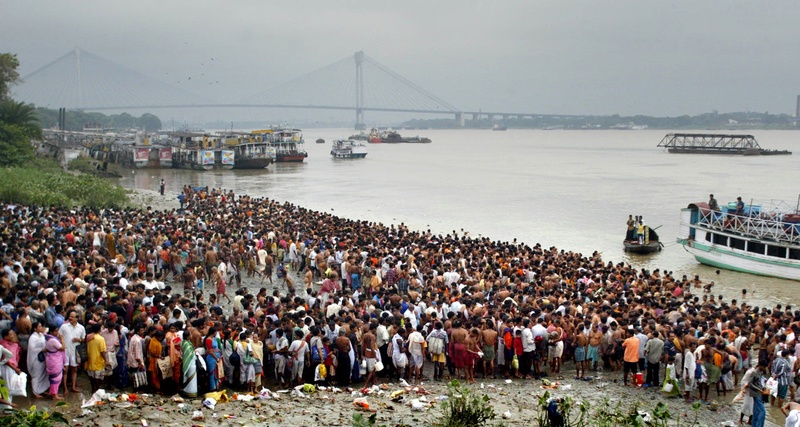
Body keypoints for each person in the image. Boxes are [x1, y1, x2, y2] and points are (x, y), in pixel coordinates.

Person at [27, 321, 49, 398]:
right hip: (36, 359)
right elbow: (32, 348)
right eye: (39, 326)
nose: (41, 327)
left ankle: (41, 390)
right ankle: (35, 392)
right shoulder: (33, 337)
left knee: (43, 374)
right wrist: (41, 350)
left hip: (42, 358)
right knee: (36, 375)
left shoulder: (41, 335)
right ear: (35, 328)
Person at [85, 323, 107, 393]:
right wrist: (106, 360)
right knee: (98, 377)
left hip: (90, 359)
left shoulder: (88, 337)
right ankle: (97, 389)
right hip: (98, 360)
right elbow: (102, 351)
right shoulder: (101, 339)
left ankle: (93, 389)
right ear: (99, 329)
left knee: (91, 376)